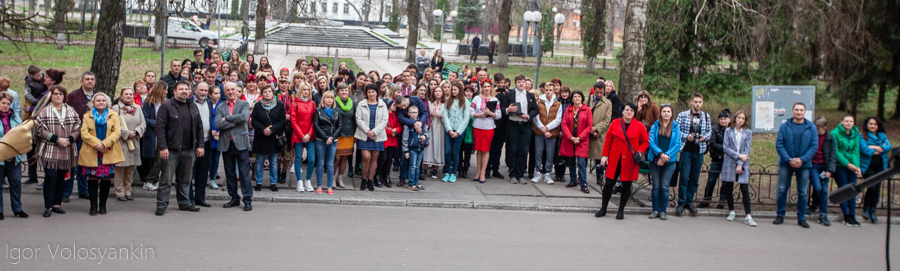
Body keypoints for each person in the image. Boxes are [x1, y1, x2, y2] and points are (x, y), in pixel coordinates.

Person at [155, 81, 205, 216]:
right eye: (181, 89)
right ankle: (161, 205)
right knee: (166, 180)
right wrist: (163, 147)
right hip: (171, 150)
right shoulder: (166, 106)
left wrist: (200, 145)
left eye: (186, 89)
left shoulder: (192, 106)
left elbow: (199, 127)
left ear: (190, 91)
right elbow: (159, 128)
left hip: (189, 150)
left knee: (185, 180)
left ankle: (184, 203)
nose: (184, 91)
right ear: (174, 92)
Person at [597, 103, 648, 219]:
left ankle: (621, 210)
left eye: (631, 111)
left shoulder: (639, 126)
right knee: (609, 184)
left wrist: (640, 151)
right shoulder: (615, 123)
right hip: (615, 159)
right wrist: (604, 155)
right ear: (623, 111)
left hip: (630, 159)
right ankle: (603, 208)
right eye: (627, 110)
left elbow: (645, 141)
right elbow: (608, 140)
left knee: (627, 185)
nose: (629, 112)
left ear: (634, 113)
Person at [36, 86, 81, 218]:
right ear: (51, 96)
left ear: (64, 96)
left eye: (60, 94)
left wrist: (70, 139)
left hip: (67, 148)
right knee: (50, 177)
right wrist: (56, 139)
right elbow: (39, 129)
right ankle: (48, 206)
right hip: (50, 148)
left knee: (62, 178)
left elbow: (78, 126)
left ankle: (57, 204)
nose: (58, 96)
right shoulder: (44, 111)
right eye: (55, 94)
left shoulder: (71, 110)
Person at [78, 93, 124, 216]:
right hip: (92, 151)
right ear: (93, 102)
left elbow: (117, 132)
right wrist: (97, 144)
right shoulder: (87, 116)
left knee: (106, 178)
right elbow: (84, 133)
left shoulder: (113, 115)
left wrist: (104, 144)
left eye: (103, 100)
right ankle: (93, 206)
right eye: (98, 100)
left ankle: (103, 205)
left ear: (107, 102)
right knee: (92, 178)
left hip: (107, 151)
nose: (101, 102)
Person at [773, 103, 818, 228]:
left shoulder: (811, 127)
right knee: (782, 190)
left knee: (802, 192)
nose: (799, 112)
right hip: (786, 164)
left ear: (804, 112)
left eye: (801, 110)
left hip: (804, 164)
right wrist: (789, 159)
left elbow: (814, 146)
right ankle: (780, 215)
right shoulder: (784, 126)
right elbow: (779, 145)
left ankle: (801, 217)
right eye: (796, 110)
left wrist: (802, 160)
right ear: (792, 111)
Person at [216, 82, 253, 212]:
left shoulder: (243, 104)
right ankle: (234, 198)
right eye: (228, 90)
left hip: (241, 143)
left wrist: (227, 119)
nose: (231, 92)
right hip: (227, 144)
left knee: (244, 173)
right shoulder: (220, 107)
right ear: (224, 92)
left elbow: (244, 117)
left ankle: (247, 199)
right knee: (230, 173)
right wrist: (233, 122)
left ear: (237, 91)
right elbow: (218, 124)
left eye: (233, 89)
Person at [675, 93, 711, 216]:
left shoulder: (706, 116)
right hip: (686, 150)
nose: (697, 104)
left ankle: (689, 201)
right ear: (691, 102)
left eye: (700, 102)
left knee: (694, 179)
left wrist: (703, 137)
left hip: (699, 150)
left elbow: (709, 132)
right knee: (684, 177)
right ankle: (681, 202)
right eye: (695, 101)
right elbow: (676, 130)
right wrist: (686, 136)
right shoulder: (683, 115)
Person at [500, 75, 538, 184]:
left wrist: (528, 116)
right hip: (513, 124)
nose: (521, 84)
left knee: (524, 151)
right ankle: (512, 174)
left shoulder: (530, 95)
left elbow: (535, 110)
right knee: (513, 150)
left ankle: (520, 174)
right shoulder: (509, 94)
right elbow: (501, 109)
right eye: (519, 82)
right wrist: (508, 109)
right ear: (515, 83)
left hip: (525, 125)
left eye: (523, 82)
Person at [64, 72, 96, 200]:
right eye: (87, 79)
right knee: (72, 165)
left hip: (91, 136)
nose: (89, 81)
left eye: (92, 79)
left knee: (85, 165)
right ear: (81, 81)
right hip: (76, 135)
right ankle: (66, 192)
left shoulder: (98, 96)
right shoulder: (73, 96)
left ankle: (83, 191)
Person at [111, 87, 146, 202]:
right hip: (121, 141)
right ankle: (119, 191)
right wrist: (126, 133)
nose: (129, 96)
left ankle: (128, 190)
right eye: (126, 94)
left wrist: (136, 132)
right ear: (121, 96)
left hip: (134, 141)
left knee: (130, 167)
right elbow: (113, 124)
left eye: (131, 94)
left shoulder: (138, 108)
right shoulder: (116, 108)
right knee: (120, 168)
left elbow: (143, 123)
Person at [721, 110, 755, 226]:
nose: (741, 120)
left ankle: (748, 215)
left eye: (743, 118)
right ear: (735, 119)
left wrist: (740, 162)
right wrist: (738, 155)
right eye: (739, 118)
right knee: (728, 187)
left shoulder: (748, 132)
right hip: (729, 161)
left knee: (744, 189)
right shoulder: (728, 131)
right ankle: (731, 210)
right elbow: (726, 147)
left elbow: (747, 149)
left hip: (743, 162)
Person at [647, 105, 681, 220]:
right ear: (660, 113)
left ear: (671, 113)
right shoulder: (655, 126)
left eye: (668, 111)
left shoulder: (676, 127)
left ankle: (663, 211)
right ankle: (655, 210)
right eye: (664, 111)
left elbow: (677, 145)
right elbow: (651, 142)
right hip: (655, 160)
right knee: (656, 186)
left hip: (670, 162)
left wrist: (666, 156)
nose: (666, 113)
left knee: (665, 187)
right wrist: (661, 154)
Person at [251, 84, 287, 192]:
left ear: (273, 93)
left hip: (273, 137)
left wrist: (271, 130)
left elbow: (282, 120)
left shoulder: (279, 106)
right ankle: (258, 182)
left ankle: (273, 182)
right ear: (262, 94)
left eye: (269, 91)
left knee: (273, 161)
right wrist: (263, 130)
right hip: (261, 136)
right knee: (259, 161)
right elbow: (254, 121)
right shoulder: (257, 106)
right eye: (265, 92)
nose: (267, 93)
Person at [831, 114, 863, 226]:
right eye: (847, 121)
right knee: (844, 190)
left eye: (851, 121)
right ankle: (846, 216)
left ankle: (853, 215)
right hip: (840, 166)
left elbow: (856, 150)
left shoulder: (855, 134)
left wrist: (856, 166)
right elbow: (836, 151)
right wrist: (847, 164)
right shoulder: (835, 133)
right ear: (842, 122)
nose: (849, 123)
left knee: (853, 190)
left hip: (852, 166)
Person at [355, 84, 388, 190]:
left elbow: (384, 121)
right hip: (364, 134)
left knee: (374, 158)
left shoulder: (382, 104)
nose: (371, 94)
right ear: (366, 93)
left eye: (373, 92)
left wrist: (374, 132)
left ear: (377, 92)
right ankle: (363, 179)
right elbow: (358, 119)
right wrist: (368, 131)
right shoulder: (361, 104)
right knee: (366, 157)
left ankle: (370, 180)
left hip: (377, 135)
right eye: (369, 92)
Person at [559, 91, 593, 193]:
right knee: (571, 161)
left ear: (582, 98)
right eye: (575, 97)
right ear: (572, 98)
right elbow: (564, 124)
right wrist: (570, 137)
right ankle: (573, 180)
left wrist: (580, 137)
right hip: (570, 140)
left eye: (579, 96)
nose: (577, 98)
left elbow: (589, 125)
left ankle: (583, 183)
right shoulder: (569, 109)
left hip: (581, 140)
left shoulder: (587, 110)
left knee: (582, 163)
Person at [0, 92, 27, 219]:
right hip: (0, 156)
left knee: (16, 183)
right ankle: (0, 211)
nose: (5, 106)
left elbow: (21, 132)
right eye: (3, 103)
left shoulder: (15, 117)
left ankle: (17, 209)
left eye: (8, 104)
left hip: (14, 156)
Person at [187, 82, 214, 207]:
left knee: (203, 172)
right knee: (188, 172)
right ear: (194, 90)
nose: (203, 92)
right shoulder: (189, 103)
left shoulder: (209, 102)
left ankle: (200, 198)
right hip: (191, 143)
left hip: (207, 141)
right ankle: (188, 198)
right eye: (201, 90)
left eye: (205, 90)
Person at [859, 117, 891, 223]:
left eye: (875, 124)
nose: (873, 126)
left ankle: (873, 211)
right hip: (868, 166)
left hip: (881, 166)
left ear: (878, 126)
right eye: (871, 124)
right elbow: (865, 150)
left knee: (877, 188)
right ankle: (866, 208)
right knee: (871, 187)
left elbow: (888, 147)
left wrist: (873, 146)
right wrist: (880, 148)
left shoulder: (882, 135)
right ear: (867, 125)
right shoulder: (862, 135)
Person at [469, 80, 501, 183]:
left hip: (488, 127)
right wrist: (479, 115)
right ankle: (478, 171)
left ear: (491, 88)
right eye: (485, 86)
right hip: (478, 126)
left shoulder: (495, 99)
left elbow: (499, 115)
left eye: (489, 87)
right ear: (482, 87)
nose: (487, 88)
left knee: (486, 149)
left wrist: (490, 113)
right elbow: (471, 111)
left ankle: (483, 172)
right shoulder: (477, 98)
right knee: (478, 149)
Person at [807, 116, 835, 226]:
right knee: (817, 188)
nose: (816, 129)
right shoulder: (811, 136)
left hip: (824, 167)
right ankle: (814, 205)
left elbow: (833, 155)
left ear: (824, 128)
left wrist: (830, 170)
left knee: (823, 190)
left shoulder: (830, 139)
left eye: (818, 127)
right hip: (813, 166)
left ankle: (823, 214)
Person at [531, 81, 562, 184]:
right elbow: (536, 117)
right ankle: (538, 172)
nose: (548, 92)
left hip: (551, 133)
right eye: (547, 90)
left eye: (550, 90)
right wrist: (542, 128)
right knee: (538, 152)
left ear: (554, 91)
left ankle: (547, 172)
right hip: (540, 132)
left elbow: (558, 119)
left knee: (550, 153)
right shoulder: (539, 102)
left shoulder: (558, 103)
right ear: (544, 90)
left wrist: (547, 128)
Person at [139, 81, 167, 192]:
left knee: (160, 160)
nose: (166, 92)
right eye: (165, 90)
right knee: (152, 160)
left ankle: (151, 180)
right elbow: (145, 119)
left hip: (162, 136)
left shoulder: (165, 103)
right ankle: (150, 181)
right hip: (151, 135)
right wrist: (158, 124)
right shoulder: (148, 103)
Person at [311, 91, 342, 194]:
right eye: (327, 97)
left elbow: (340, 126)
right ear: (323, 99)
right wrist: (325, 137)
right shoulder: (318, 110)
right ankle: (319, 185)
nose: (329, 99)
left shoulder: (337, 111)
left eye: (331, 98)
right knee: (320, 163)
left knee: (330, 164)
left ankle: (329, 186)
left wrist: (332, 138)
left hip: (333, 140)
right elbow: (316, 125)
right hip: (321, 140)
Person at [699, 109, 730, 208]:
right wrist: (725, 148)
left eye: (725, 119)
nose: (723, 121)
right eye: (721, 119)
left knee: (725, 181)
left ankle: (723, 200)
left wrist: (727, 149)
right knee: (711, 180)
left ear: (729, 120)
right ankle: (707, 199)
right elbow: (712, 143)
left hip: (728, 159)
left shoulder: (731, 131)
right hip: (716, 158)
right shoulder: (715, 130)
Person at [290, 81, 317, 192]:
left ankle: (308, 180)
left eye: (308, 90)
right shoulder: (294, 103)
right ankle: (299, 181)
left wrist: (309, 134)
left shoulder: (313, 103)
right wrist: (302, 135)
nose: (306, 92)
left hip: (310, 135)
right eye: (304, 89)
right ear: (300, 90)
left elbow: (314, 121)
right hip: (298, 134)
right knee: (298, 158)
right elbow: (293, 121)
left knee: (311, 159)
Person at [441, 82, 470, 182]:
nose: (453, 92)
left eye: (455, 90)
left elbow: (466, 118)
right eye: (452, 90)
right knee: (447, 151)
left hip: (458, 130)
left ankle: (453, 173)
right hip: (449, 130)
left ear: (459, 90)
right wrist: (449, 130)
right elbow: (445, 116)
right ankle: (447, 172)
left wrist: (458, 132)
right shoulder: (448, 100)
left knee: (455, 152)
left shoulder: (465, 101)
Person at [587, 82, 612, 186]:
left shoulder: (608, 103)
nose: (599, 94)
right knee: (583, 157)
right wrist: (590, 129)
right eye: (597, 92)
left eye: (601, 92)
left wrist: (596, 129)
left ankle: (600, 177)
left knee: (599, 157)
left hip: (600, 134)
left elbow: (607, 119)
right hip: (587, 132)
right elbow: (583, 114)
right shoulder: (587, 100)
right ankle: (581, 176)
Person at [402, 104, 430, 191]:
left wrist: (425, 136)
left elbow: (427, 133)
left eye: (416, 112)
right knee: (412, 166)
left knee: (418, 166)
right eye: (412, 113)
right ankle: (411, 183)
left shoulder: (422, 123)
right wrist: (406, 151)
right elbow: (405, 139)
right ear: (408, 113)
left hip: (420, 147)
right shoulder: (407, 125)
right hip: (412, 148)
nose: (414, 114)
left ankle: (416, 182)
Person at [334, 84, 356, 188]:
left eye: (346, 90)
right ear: (338, 92)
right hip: (338, 134)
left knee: (345, 157)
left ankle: (340, 178)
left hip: (349, 133)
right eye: (341, 90)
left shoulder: (352, 103)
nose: (344, 92)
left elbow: (355, 119)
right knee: (336, 157)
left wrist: (356, 134)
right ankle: (332, 178)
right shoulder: (335, 102)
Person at [423, 81, 447, 179]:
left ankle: (435, 169)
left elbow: (446, 116)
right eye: (436, 91)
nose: (437, 93)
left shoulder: (445, 104)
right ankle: (424, 168)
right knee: (428, 146)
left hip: (440, 127)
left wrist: (438, 115)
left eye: (439, 91)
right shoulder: (429, 103)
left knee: (439, 146)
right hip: (431, 126)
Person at [376, 99, 402, 186]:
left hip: (392, 141)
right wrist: (392, 132)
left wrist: (395, 130)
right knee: (382, 158)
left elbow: (399, 127)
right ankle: (378, 175)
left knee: (389, 159)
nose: (395, 106)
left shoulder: (396, 115)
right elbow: (382, 127)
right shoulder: (384, 115)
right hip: (384, 140)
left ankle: (386, 175)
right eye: (393, 104)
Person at [553, 86, 573, 182]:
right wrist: (559, 130)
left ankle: (562, 174)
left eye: (566, 92)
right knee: (557, 153)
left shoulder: (571, 104)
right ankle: (557, 173)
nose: (564, 94)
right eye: (563, 92)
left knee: (565, 154)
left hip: (567, 132)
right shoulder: (557, 102)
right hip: (558, 130)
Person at [208, 86, 224, 189]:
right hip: (208, 135)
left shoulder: (221, 106)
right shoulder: (207, 105)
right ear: (210, 95)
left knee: (216, 158)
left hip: (218, 136)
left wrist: (218, 131)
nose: (217, 95)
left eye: (219, 93)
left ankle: (212, 178)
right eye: (215, 93)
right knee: (207, 158)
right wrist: (210, 130)